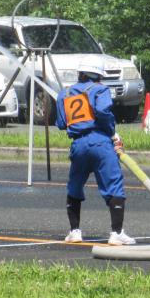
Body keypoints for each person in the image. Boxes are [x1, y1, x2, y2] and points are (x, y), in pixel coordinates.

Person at [55, 56, 135, 245]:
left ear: (80, 73)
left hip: (78, 144)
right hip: (100, 142)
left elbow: (60, 124)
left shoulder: (64, 93)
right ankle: (116, 233)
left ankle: (75, 231)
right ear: (99, 75)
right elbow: (102, 112)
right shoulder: (100, 90)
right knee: (113, 184)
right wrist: (112, 132)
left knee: (74, 185)